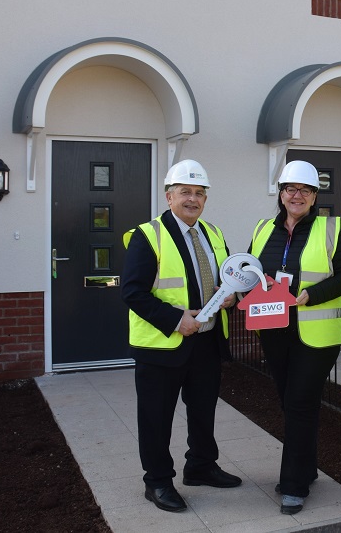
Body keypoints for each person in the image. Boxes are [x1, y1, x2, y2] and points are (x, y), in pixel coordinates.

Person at [121, 159, 242, 513]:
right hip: (162, 346)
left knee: (203, 410)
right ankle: (157, 482)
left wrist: (231, 296)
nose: (193, 199)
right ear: (168, 196)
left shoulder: (213, 233)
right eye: (185, 192)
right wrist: (176, 319)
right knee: (156, 418)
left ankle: (201, 466)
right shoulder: (148, 235)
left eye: (199, 193)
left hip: (206, 341)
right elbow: (132, 292)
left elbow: (226, 280)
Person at [247, 160, 341, 515]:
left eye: (304, 190)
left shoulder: (332, 229)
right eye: (290, 189)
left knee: (300, 404)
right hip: (274, 330)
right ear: (280, 193)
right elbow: (252, 272)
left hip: (317, 335)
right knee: (289, 402)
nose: (297, 195)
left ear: (314, 196)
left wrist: (312, 294)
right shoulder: (264, 229)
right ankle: (306, 470)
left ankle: (293, 486)